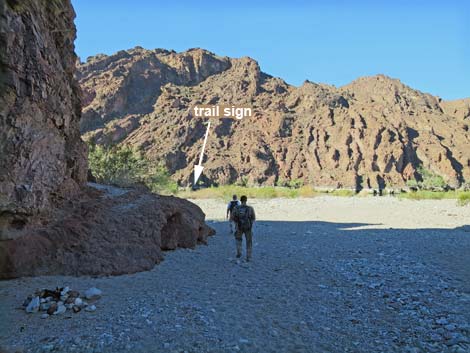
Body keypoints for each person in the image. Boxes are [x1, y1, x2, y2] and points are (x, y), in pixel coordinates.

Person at [232, 195, 256, 261]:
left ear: (240, 200)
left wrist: (236, 225)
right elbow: (253, 218)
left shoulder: (236, 208)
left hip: (239, 227)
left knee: (238, 239)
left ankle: (239, 252)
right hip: (248, 227)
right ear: (246, 200)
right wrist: (250, 224)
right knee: (249, 241)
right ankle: (248, 256)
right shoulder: (250, 208)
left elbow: (233, 218)